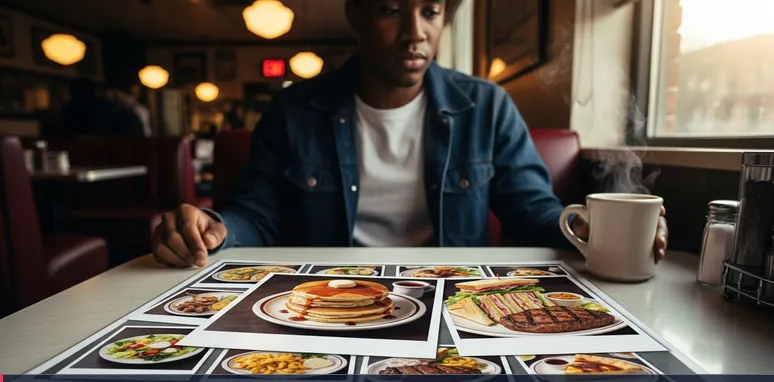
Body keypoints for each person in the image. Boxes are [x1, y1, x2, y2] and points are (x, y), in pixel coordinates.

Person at [151, 0, 668, 268]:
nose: (414, 32)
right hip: (323, 296)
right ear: (355, 12)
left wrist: (586, 228)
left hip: (450, 295)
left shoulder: (485, 106)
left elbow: (530, 209)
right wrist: (213, 229)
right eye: (391, 10)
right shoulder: (295, 109)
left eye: (430, 12)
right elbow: (256, 216)